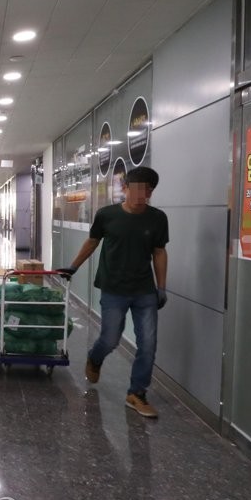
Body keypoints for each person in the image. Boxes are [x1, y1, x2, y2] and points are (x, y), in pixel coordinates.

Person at [59, 166, 168, 418]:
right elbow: (92, 242)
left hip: (144, 290)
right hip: (113, 288)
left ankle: (136, 393)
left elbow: (159, 252)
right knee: (110, 339)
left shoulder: (157, 218)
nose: (141, 195)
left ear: (151, 192)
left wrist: (162, 287)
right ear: (125, 188)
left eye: (147, 190)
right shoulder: (107, 215)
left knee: (148, 344)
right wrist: (74, 267)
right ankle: (95, 358)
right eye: (136, 189)